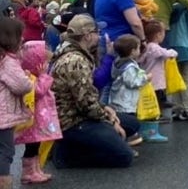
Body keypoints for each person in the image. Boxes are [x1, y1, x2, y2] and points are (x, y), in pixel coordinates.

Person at [50, 14, 140, 169]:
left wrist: (105, 110)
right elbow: (86, 104)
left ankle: (90, 144)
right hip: (72, 122)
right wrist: (109, 120)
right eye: (96, 33)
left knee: (132, 123)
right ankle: (67, 155)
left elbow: (87, 95)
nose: (99, 36)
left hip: (78, 114)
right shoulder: (76, 61)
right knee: (124, 157)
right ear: (87, 36)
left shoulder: (73, 52)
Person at [16, 41, 62, 184]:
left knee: (35, 147)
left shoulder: (32, 76)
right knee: (31, 147)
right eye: (45, 62)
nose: (47, 66)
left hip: (38, 121)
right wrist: (44, 76)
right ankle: (28, 173)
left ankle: (36, 170)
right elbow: (39, 91)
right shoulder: (30, 79)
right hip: (33, 122)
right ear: (36, 63)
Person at [0, 18, 33, 189]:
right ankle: (4, 182)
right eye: (20, 36)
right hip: (3, 117)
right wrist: (27, 78)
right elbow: (22, 86)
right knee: (5, 152)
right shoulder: (8, 62)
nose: (23, 39)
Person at [138, 19, 178, 123]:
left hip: (149, 76)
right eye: (163, 32)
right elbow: (165, 53)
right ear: (158, 34)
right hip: (156, 78)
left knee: (153, 98)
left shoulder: (147, 47)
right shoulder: (154, 47)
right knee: (157, 99)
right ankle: (157, 115)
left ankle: (154, 115)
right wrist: (173, 52)